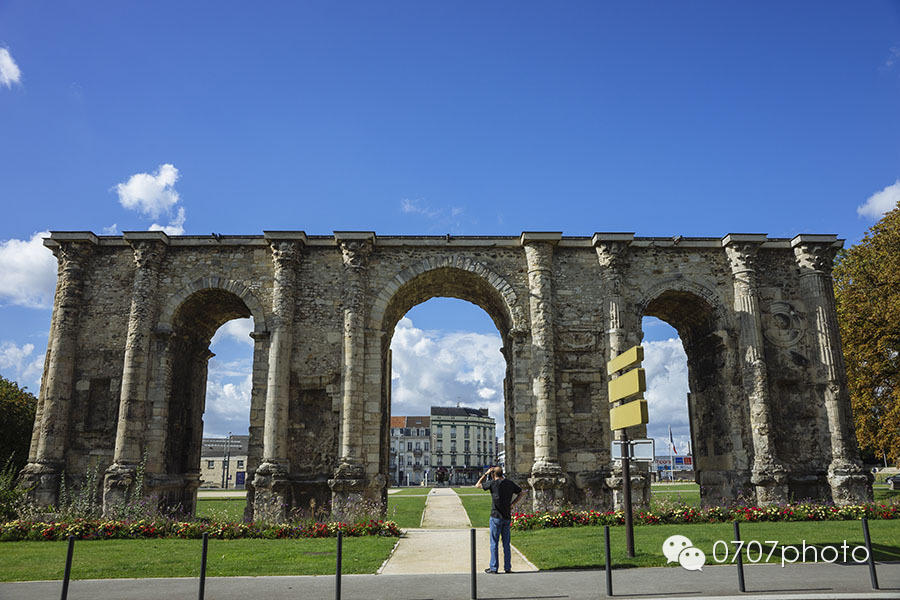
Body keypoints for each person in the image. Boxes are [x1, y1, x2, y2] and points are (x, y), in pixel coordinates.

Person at [474, 466, 525, 574]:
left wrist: (485, 474)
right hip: (506, 516)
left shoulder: (493, 483)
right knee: (506, 544)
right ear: (502, 473)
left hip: (496, 516)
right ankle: (507, 567)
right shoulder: (509, 483)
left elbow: (477, 485)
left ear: (493, 474)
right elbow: (521, 493)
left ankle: (494, 567)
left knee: (494, 543)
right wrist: (513, 504)